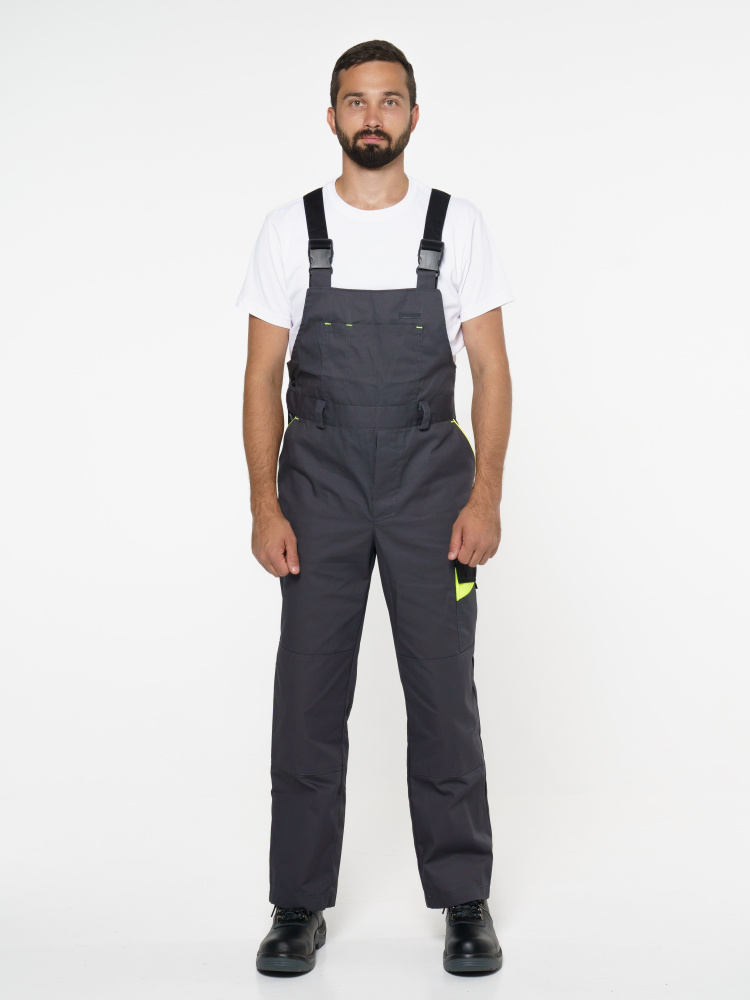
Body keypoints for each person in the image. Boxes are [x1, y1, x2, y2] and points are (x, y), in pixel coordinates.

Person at [236, 39, 513, 976]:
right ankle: (297, 905)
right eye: (356, 101)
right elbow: (261, 378)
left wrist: (485, 494)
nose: (372, 116)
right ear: (332, 117)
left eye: (389, 101)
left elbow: (491, 371)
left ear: (413, 116)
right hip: (318, 486)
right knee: (308, 697)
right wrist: (265, 506)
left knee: (443, 693)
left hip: (431, 484)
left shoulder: (456, 225)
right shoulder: (291, 229)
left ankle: (465, 899)